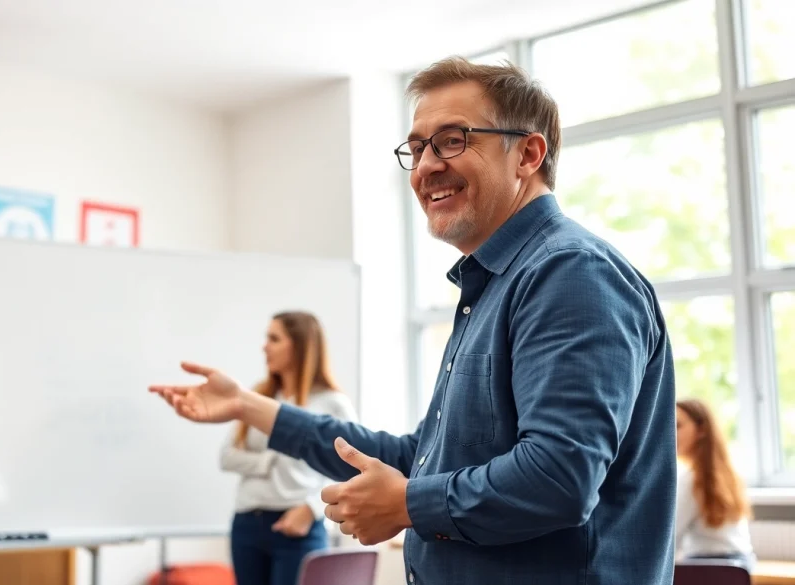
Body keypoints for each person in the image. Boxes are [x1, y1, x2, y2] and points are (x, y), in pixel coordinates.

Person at [150, 57, 676, 585]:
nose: (425, 167)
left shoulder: (570, 273)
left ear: (528, 154)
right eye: (418, 147)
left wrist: (407, 504)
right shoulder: (492, 286)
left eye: (452, 140)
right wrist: (252, 406)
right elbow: (416, 458)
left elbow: (560, 477)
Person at [218, 311, 357, 585]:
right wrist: (270, 459)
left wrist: (312, 509)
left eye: (274, 338)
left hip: (299, 527)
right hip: (247, 524)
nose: (264, 346)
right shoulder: (258, 398)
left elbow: (354, 471)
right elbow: (227, 456)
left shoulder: (333, 404)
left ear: (299, 345)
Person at [675, 398, 755, 569]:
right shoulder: (730, 474)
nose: (671, 434)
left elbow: (671, 536)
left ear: (701, 429)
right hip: (741, 566)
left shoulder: (690, 478)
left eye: (677, 426)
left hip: (705, 570)